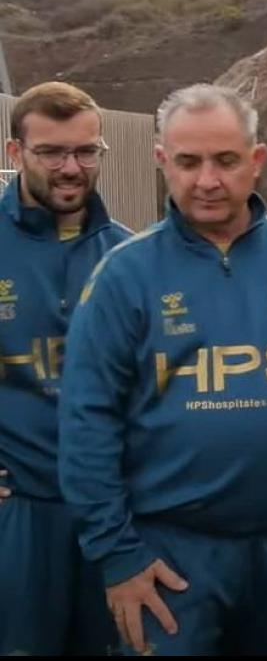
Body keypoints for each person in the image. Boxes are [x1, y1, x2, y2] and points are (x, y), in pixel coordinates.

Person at [57, 84, 267, 656]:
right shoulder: (124, 275)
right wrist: (118, 554)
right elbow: (86, 425)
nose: (207, 180)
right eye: (188, 162)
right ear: (162, 161)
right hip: (168, 551)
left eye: (226, 161)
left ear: (256, 159)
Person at [0, 82, 129, 655]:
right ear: (15, 152)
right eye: (51, 152)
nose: (71, 168)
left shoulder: (129, 257)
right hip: (20, 511)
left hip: (115, 514)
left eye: (85, 151)